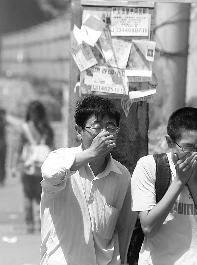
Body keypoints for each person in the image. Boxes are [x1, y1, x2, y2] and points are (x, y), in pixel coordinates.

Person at [40, 95, 136, 265]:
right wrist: (92, 152)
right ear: (79, 131)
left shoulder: (122, 175)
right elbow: (50, 174)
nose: (104, 134)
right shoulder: (61, 158)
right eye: (97, 127)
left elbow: (124, 227)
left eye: (111, 127)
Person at [131, 107, 197, 265]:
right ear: (170, 142)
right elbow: (149, 228)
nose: (196, 154)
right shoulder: (149, 166)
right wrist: (178, 181)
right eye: (188, 147)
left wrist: (194, 184)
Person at [14, 100, 54, 234]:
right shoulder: (47, 129)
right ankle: (40, 222)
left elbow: (18, 149)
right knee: (41, 196)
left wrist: (14, 166)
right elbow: (52, 148)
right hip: (43, 167)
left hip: (28, 167)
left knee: (27, 195)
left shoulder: (24, 129)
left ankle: (29, 223)